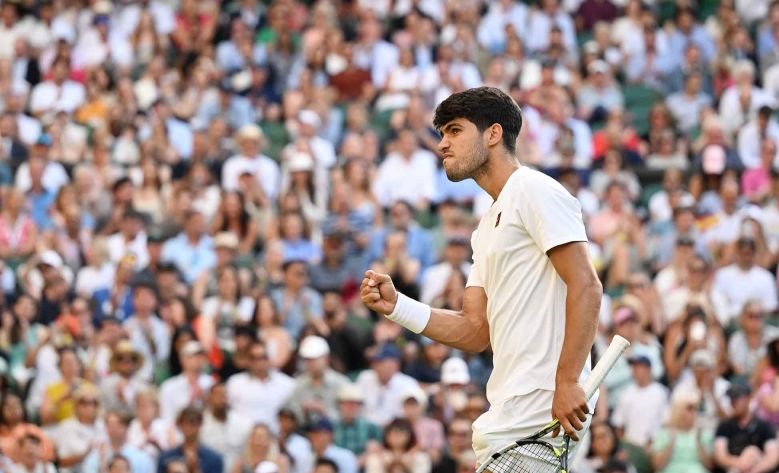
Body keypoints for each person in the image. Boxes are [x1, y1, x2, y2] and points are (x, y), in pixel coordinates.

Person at [360, 87, 602, 464]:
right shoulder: (486, 225)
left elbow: (586, 284)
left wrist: (568, 381)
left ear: (493, 134)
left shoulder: (533, 188)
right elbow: (475, 330)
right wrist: (397, 307)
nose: (442, 144)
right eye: (441, 133)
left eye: (454, 130)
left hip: (541, 405)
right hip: (509, 408)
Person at [713, 383, 779, 473]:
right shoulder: (724, 426)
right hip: (734, 469)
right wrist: (740, 463)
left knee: (752, 452)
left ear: (749, 397)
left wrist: (753, 470)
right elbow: (721, 456)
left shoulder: (763, 426)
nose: (734, 402)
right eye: (732, 398)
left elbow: (773, 456)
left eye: (737, 397)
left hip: (758, 468)